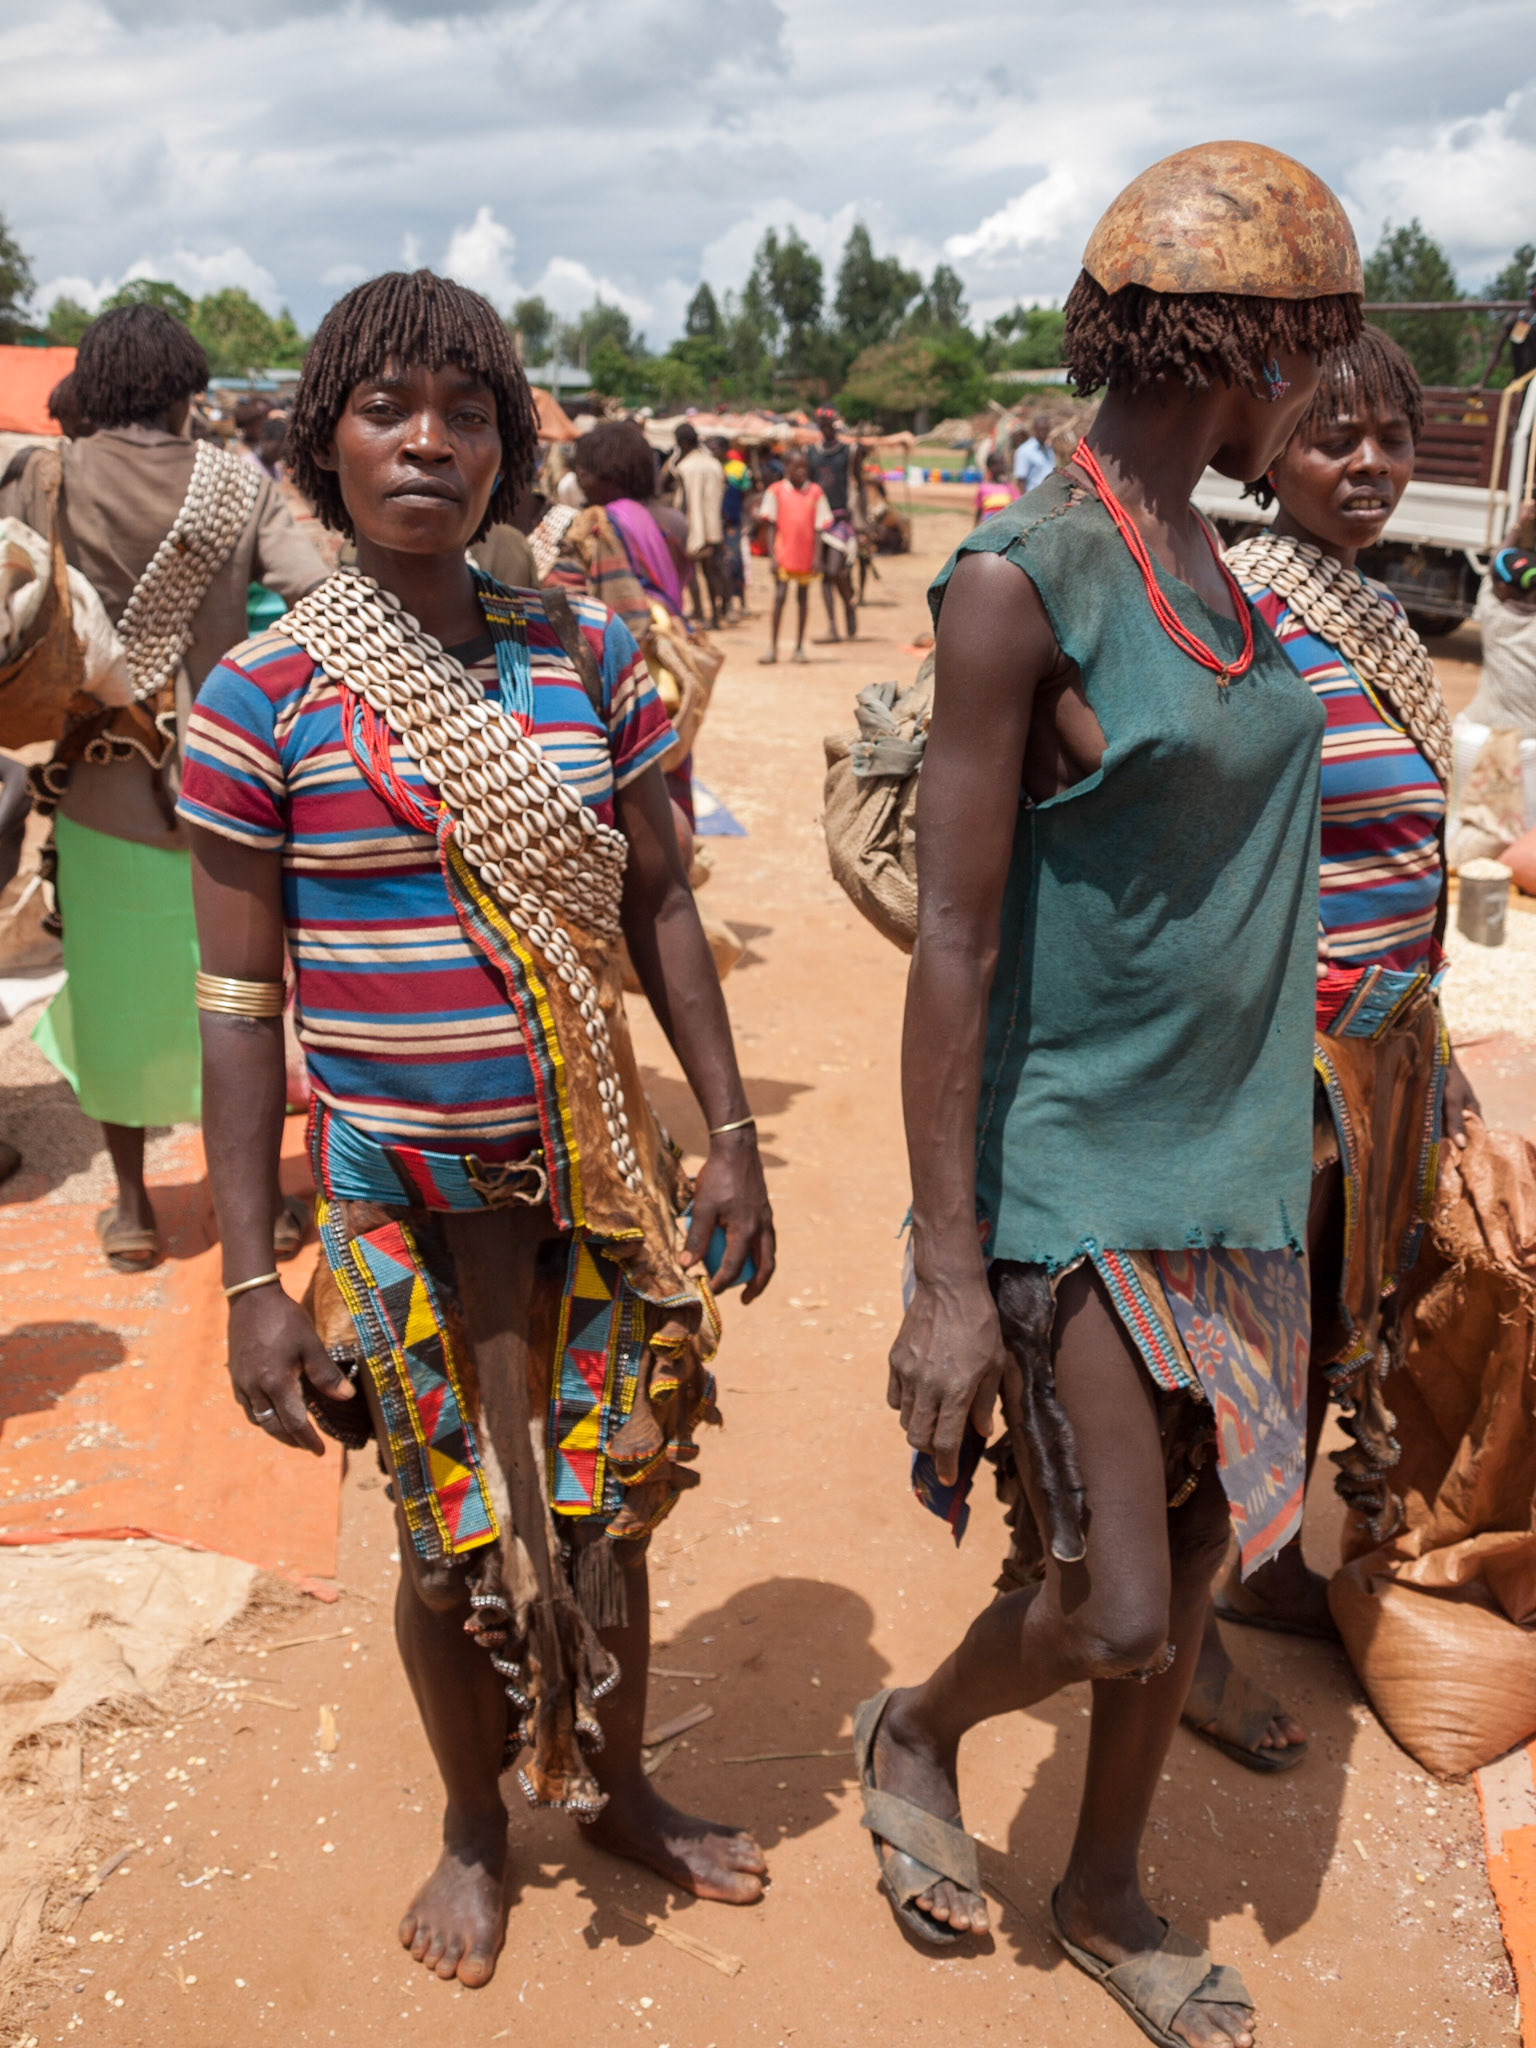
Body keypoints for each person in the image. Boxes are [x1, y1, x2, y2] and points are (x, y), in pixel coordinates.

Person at [176, 269, 776, 1989]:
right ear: (325, 443)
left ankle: (621, 1784)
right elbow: (242, 1005)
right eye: (386, 410)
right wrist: (246, 1279)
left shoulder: (584, 656)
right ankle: (470, 1823)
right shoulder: (263, 696)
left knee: (609, 1510)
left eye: (465, 412)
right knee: (447, 1550)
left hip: (589, 1193)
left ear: (512, 447)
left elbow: (664, 903)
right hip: (396, 1206)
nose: (427, 441)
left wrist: (726, 1130)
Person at [859, 142, 1362, 2048]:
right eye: (1306, 359)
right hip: (1072, 1168)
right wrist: (942, 1267)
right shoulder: (1024, 581)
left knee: (1211, 1541)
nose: (1308, 401)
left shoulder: (1222, 562)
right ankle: (916, 1720)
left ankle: (1105, 1889)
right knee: (1119, 1604)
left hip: (1237, 1167)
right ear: (1253, 345)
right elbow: (956, 946)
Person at [1180, 326, 1474, 1771]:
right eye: (1327, 439)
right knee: (1241, 1347)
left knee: (1320, 1340)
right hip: (1277, 1061)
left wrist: (1432, 1036)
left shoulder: (1368, 606)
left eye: (1388, 440)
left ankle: (1270, 1565)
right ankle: (1187, 1637)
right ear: (1267, 451)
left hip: (1378, 1050)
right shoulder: (1242, 605)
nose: (1366, 466)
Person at [0, 303, 326, 1271]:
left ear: (93, 383)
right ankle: (260, 1212)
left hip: (97, 793)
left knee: (115, 999)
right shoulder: (236, 480)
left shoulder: (42, 476)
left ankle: (136, 1210)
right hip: (227, 789)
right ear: (188, 383)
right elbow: (312, 597)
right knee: (242, 994)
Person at [756, 448, 829, 665]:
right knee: (779, 597)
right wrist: (772, 555)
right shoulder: (776, 491)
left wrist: (817, 556)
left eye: (804, 467)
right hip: (783, 554)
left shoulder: (815, 492)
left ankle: (799, 647)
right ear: (786, 468)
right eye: (796, 467)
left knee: (803, 599)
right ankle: (773, 647)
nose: (801, 471)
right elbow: (770, 526)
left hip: (805, 556)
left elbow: (819, 528)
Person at [805, 407, 864, 643]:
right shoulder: (811, 453)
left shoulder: (849, 452)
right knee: (825, 575)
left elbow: (859, 485)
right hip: (820, 521)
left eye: (829, 423)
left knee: (836, 571)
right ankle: (832, 626)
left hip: (841, 520)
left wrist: (863, 520)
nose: (825, 427)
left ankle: (848, 604)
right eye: (822, 423)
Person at [672, 422, 725, 629]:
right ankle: (715, 616)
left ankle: (701, 614)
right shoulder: (713, 464)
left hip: (692, 527)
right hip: (713, 527)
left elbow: (683, 502)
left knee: (691, 573)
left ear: (683, 443)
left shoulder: (684, 467)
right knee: (711, 572)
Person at [972, 448, 1020, 526]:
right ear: (989, 466)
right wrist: (975, 528)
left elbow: (1017, 508)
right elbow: (979, 511)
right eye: (997, 464)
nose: (1000, 466)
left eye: (1002, 463)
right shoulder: (983, 488)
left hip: (1006, 527)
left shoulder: (1010, 487)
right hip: (988, 528)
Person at [1010, 410, 1055, 493]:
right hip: (1033, 498)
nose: (1044, 433)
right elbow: (1021, 480)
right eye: (1041, 429)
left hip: (1049, 496)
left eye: (1046, 430)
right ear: (1034, 430)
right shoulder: (1024, 451)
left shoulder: (1048, 449)